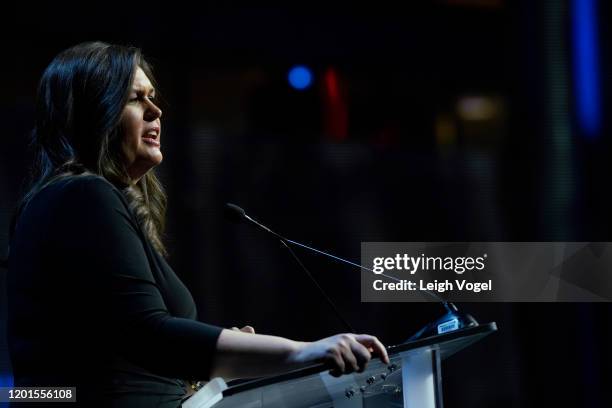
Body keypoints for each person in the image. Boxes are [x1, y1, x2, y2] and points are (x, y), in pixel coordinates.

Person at [7, 42, 388, 407]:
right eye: (135, 98)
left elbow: (111, 351)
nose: (156, 111)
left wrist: (212, 365)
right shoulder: (82, 195)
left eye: (152, 97)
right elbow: (148, 336)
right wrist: (301, 351)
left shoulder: (74, 199)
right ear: (94, 113)